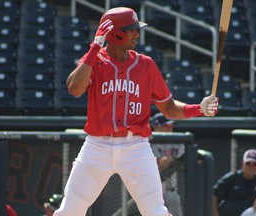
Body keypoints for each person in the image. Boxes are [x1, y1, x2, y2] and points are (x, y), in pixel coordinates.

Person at [54, 6, 219, 216]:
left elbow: (168, 107)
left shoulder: (146, 65)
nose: (136, 34)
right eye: (131, 29)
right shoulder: (94, 61)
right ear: (114, 33)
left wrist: (200, 109)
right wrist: (95, 47)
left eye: (136, 29)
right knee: (69, 210)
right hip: (97, 146)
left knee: (157, 211)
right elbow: (75, 89)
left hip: (136, 147)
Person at [213, 149, 256, 216]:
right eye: (248, 163)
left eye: (254, 164)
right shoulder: (232, 177)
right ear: (243, 163)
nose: (251, 167)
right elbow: (214, 197)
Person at [151, 113, 184, 216]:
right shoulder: (150, 141)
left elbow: (184, 162)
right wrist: (175, 159)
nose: (170, 128)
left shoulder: (177, 141)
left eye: (171, 125)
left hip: (171, 190)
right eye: (166, 125)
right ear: (156, 127)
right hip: (153, 192)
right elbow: (160, 164)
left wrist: (170, 160)